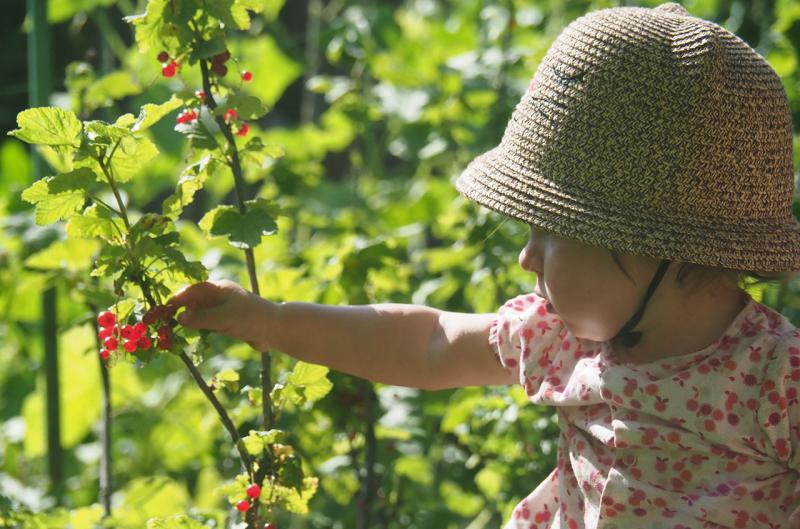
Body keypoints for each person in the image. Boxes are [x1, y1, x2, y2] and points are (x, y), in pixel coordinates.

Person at [169, 2, 800, 528]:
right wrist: (266, 319)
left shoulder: (777, 379)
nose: (527, 257)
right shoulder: (567, 340)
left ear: (652, 243)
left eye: (549, 232)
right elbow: (427, 344)